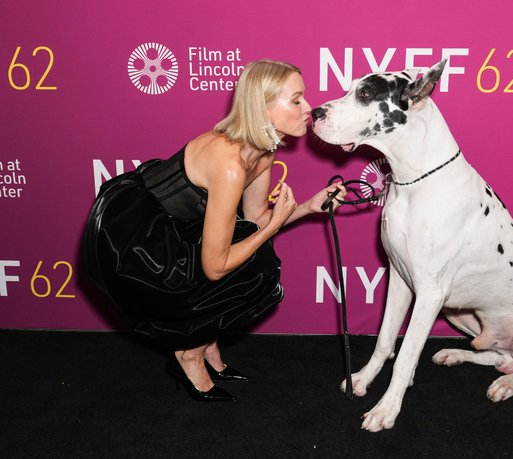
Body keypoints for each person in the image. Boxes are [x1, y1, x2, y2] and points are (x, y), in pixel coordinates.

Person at [83, 59, 344, 402]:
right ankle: (188, 354)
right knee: (255, 265)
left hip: (181, 226)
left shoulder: (263, 152)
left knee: (251, 249)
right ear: (262, 108)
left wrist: (309, 206)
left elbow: (256, 218)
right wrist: (272, 228)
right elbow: (216, 265)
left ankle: (209, 350)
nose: (308, 108)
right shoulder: (230, 164)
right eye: (296, 100)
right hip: (139, 240)